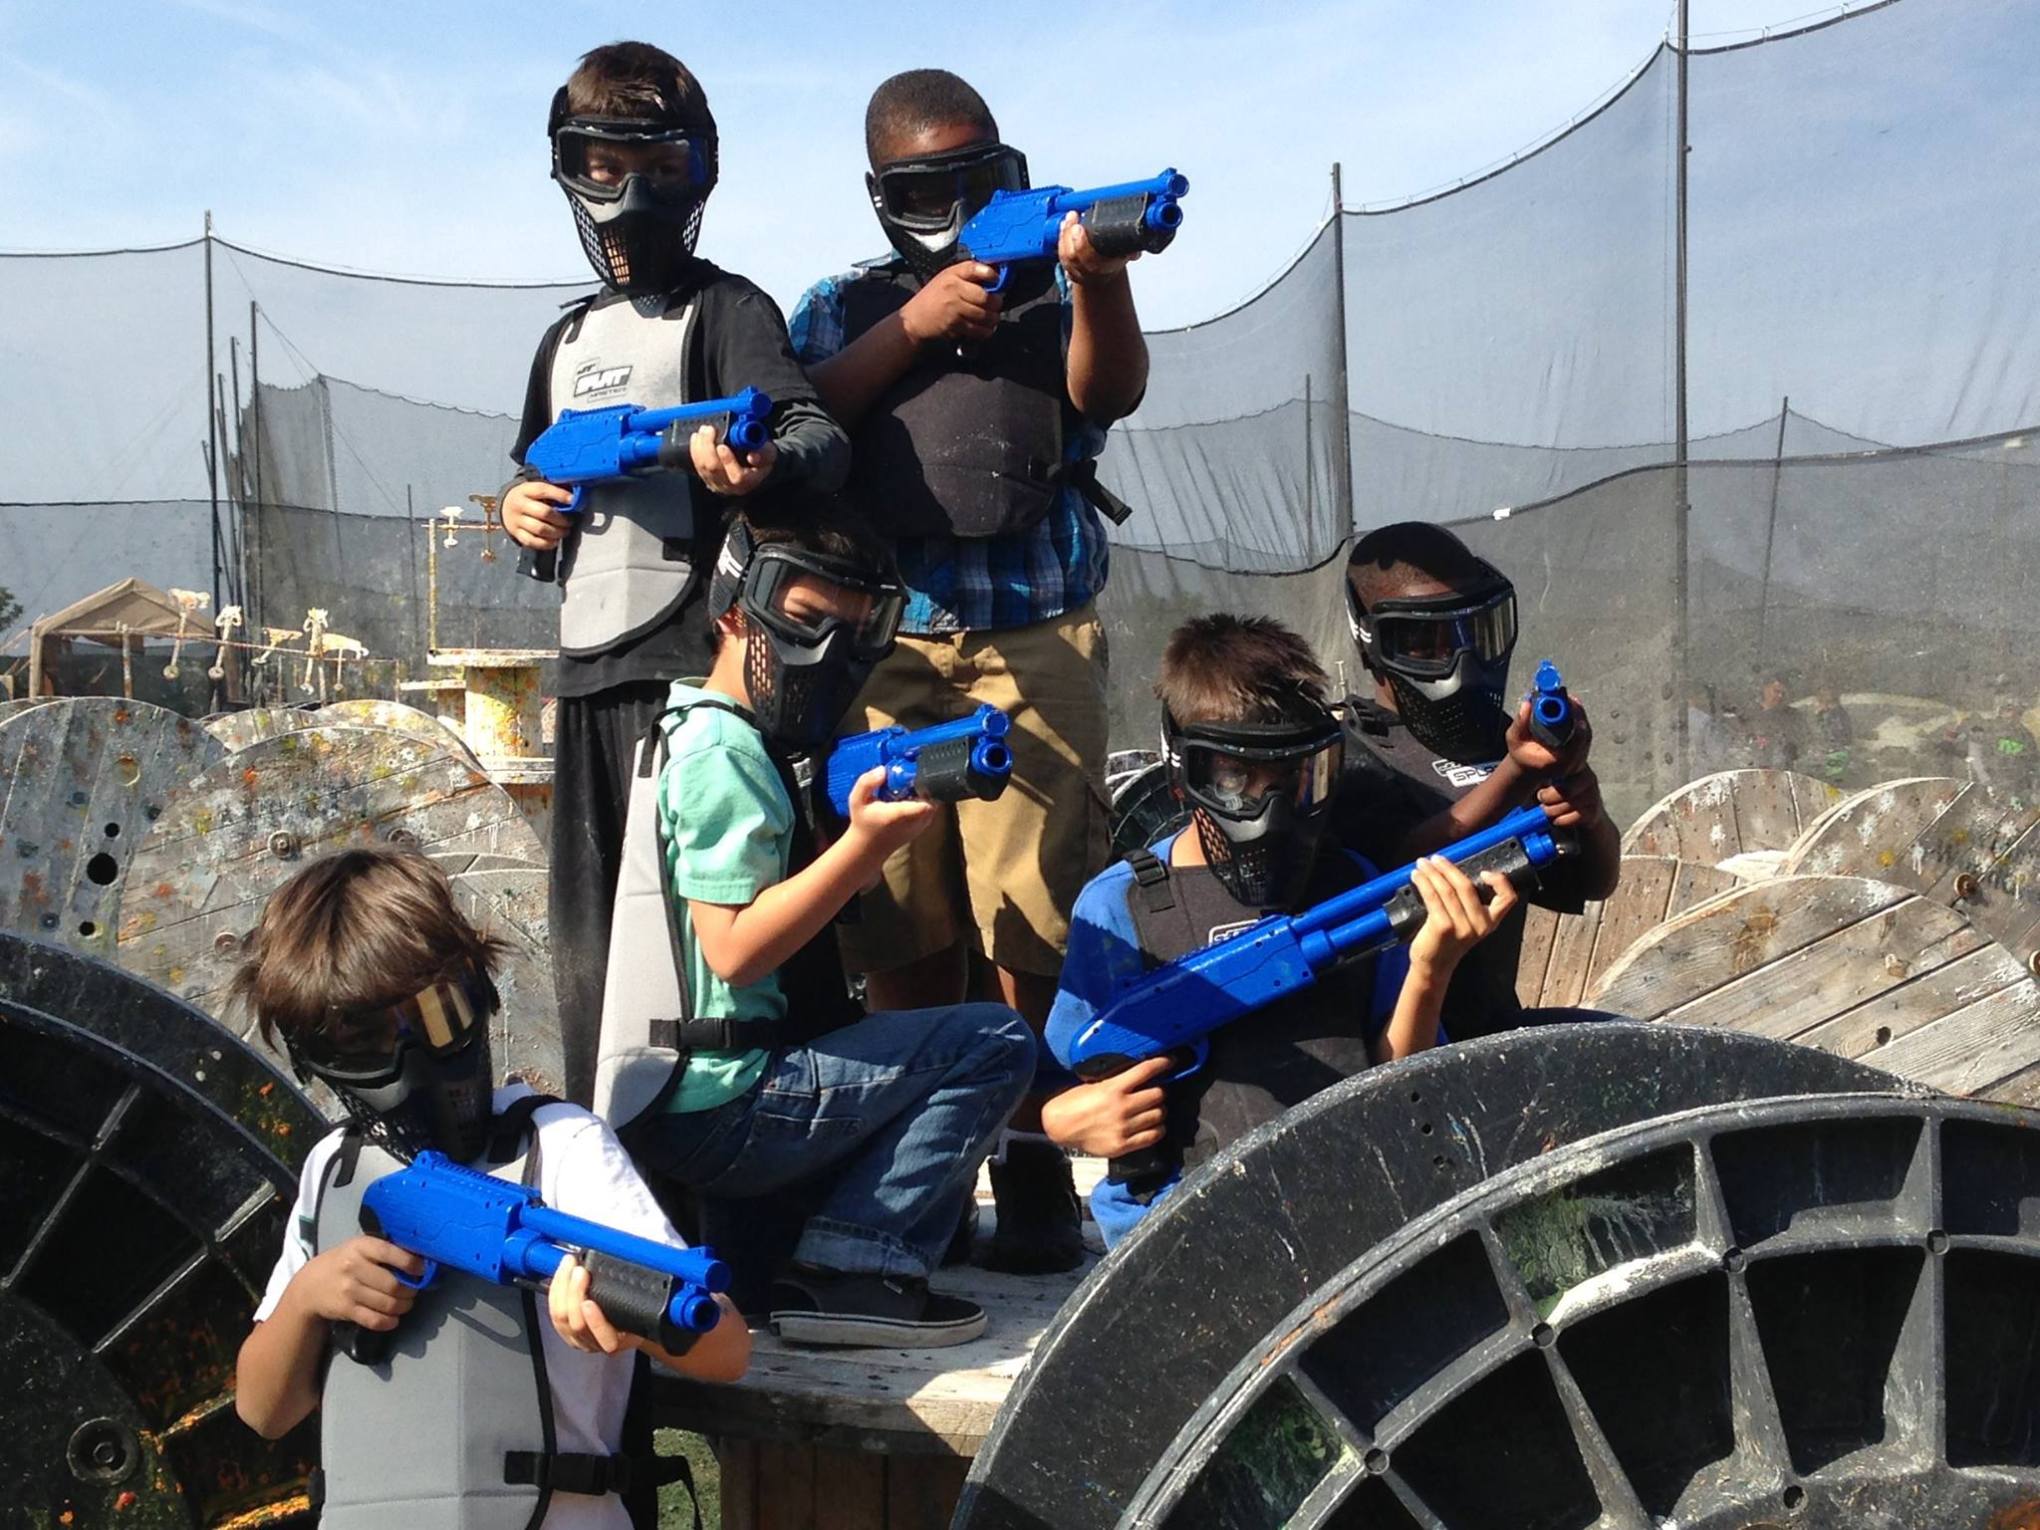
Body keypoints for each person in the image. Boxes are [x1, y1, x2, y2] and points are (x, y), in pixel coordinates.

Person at [786, 68, 1150, 1271]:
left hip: (1034, 629)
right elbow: (805, 426)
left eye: (975, 174)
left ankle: (1031, 1157)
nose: (953, 202)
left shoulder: (1051, 286)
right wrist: (917, 324)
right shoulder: (840, 306)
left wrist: (1097, 281)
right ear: (884, 193)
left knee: (1028, 913)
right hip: (882, 646)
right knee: (901, 916)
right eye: (923, 184)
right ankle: (923, 1162)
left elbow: (1111, 396)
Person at [498, 42, 850, 1108]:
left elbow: (817, 436)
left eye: (656, 164)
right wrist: (521, 514)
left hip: (697, 683)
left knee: (725, 948)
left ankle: (772, 1162)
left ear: (699, 172)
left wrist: (757, 464)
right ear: (567, 169)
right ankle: (618, 1160)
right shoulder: (563, 341)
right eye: (600, 164)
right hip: (587, 680)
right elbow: (532, 493)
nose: (629, 194)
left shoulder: (727, 312)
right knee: (598, 955)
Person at [592, 506, 1035, 1347]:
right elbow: (735, 945)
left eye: (849, 632)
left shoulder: (693, 728)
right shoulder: (727, 754)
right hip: (725, 1101)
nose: (825, 653)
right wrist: (862, 849)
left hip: (687, 1094)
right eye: (802, 624)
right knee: (994, 1043)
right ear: (733, 612)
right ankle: (856, 1271)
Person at [231, 848, 749, 1530]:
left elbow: (725, 1345)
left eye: (439, 1015)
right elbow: (263, 1411)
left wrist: (629, 1323)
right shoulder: (334, 1168)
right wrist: (308, 1300)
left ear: (480, 991)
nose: (413, 1061)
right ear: (317, 1057)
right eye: (364, 1041)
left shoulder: (558, 1146)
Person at [1038, 615, 1519, 1245]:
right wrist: (1071, 1121)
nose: (1268, 812)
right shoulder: (1120, 909)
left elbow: (1398, 1082)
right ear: (1184, 771)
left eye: (1293, 779)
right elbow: (1068, 1081)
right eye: (1234, 780)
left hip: (1344, 1211)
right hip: (1180, 1228)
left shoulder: (1354, 886)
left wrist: (1433, 967)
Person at [1338, 522, 1621, 1040]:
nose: (1462, 659)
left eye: (1476, 631)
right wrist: (1515, 777)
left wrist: (1585, 805)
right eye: (1427, 641)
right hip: (1392, 1056)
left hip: (1492, 1037)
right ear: (1371, 644)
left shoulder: (1500, 743)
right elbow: (1397, 871)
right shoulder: (1350, 758)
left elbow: (1593, 882)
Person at [1748, 671, 1806, 772]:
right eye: (1776, 691)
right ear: (1765, 689)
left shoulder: (1794, 716)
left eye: (1783, 693)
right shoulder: (1749, 715)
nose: (1780, 696)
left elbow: (1803, 747)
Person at [1811, 685, 1856, 786]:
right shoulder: (1816, 715)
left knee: (1834, 785)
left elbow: (1840, 738)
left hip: (1836, 753)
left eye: (1830, 702)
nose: (1825, 705)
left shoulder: (1837, 716)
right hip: (1822, 757)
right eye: (1821, 700)